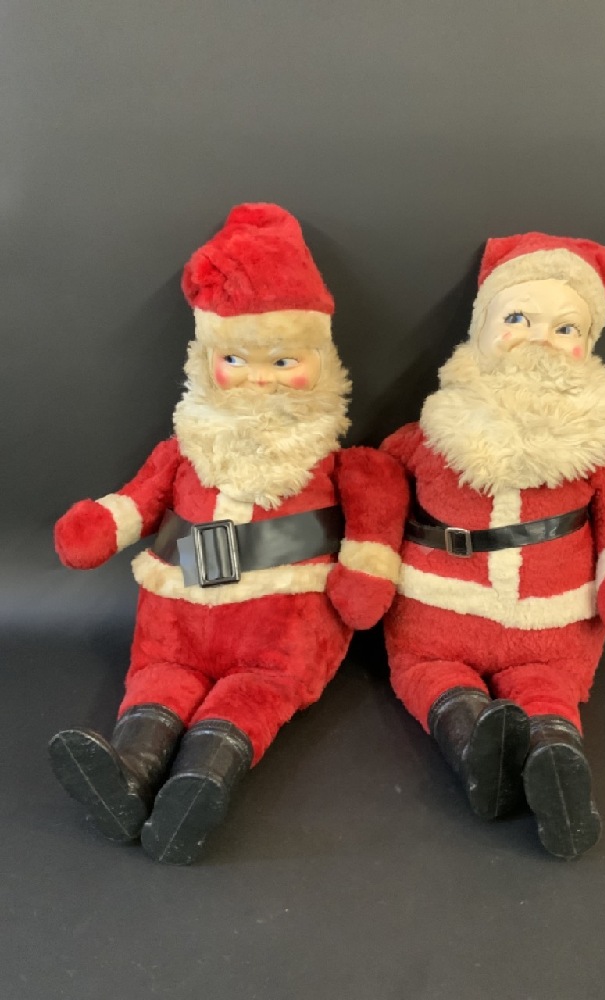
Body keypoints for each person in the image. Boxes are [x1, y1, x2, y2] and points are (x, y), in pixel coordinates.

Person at [49, 203, 408, 865]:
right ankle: (126, 773)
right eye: (236, 358)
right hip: (177, 618)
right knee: (159, 681)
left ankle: (203, 782)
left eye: (283, 359)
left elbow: (373, 523)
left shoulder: (334, 461)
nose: (258, 376)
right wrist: (101, 525)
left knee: (252, 695)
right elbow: (137, 501)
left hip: (277, 631)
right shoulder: (184, 448)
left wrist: (366, 570)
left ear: (320, 358)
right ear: (208, 355)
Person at [381, 232, 605, 859]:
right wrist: (367, 560)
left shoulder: (598, 445)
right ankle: (473, 741)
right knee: (430, 674)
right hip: (438, 613)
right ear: (482, 327)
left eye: (564, 328)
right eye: (517, 319)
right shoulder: (431, 431)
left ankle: (556, 755)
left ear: (587, 344)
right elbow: (379, 485)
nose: (538, 338)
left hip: (552, 623)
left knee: (547, 685)